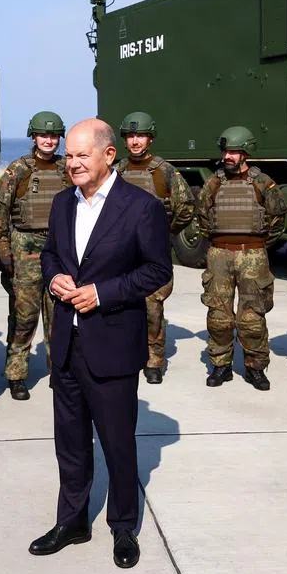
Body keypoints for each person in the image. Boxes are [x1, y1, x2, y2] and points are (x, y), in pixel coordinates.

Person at [29, 118, 171, 569]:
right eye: (68, 155)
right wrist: (54, 276)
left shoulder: (141, 207)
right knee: (70, 442)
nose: (72, 163)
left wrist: (102, 293)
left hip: (112, 345)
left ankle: (123, 526)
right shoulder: (61, 204)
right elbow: (50, 253)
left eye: (81, 155)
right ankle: (72, 521)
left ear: (109, 155)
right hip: (66, 343)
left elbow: (157, 270)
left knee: (117, 443)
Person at [194, 126, 286, 390]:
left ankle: (255, 367)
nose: (228, 157)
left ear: (246, 153)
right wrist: (219, 242)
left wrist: (257, 245)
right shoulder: (214, 182)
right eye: (225, 151)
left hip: (253, 256)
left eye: (234, 152)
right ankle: (221, 365)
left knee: (252, 317)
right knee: (219, 316)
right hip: (219, 255)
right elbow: (202, 215)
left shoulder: (263, 183)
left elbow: (278, 219)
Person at [0, 111, 69, 399]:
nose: (49, 140)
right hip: (25, 248)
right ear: (33, 137)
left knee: (59, 316)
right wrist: (4, 254)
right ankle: (16, 374)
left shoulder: (67, 169)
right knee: (24, 316)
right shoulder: (18, 170)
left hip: (59, 247)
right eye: (43, 135)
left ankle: (59, 371)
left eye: (53, 135)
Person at [115, 111, 195, 384]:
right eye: (131, 136)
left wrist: (164, 233)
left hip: (152, 254)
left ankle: (154, 361)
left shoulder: (165, 171)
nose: (135, 141)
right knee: (120, 306)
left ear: (150, 138)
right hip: (122, 253)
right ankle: (125, 356)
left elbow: (186, 207)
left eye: (141, 135)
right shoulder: (117, 171)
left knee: (152, 308)